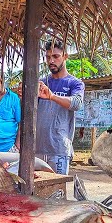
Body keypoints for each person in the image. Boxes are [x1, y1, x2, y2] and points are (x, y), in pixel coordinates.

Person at [36, 39, 85, 174]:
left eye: (56, 56)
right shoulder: (41, 82)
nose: (51, 61)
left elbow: (76, 103)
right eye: (48, 57)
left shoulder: (74, 83)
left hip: (59, 149)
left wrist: (52, 96)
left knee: (58, 192)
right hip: (37, 148)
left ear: (65, 56)